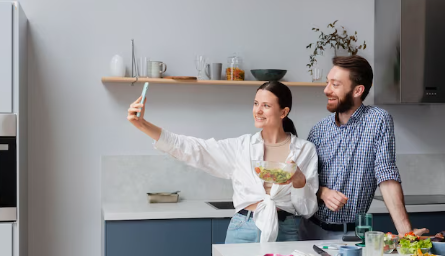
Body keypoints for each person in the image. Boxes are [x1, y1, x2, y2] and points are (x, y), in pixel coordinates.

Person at [127, 81, 319, 243]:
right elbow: (194, 148)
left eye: (266, 106)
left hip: (286, 231)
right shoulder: (241, 147)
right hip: (243, 229)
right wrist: (142, 124)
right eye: (255, 103)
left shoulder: (305, 150)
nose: (258, 111)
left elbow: (307, 210)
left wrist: (299, 181)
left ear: (283, 112)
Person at [299, 55, 428, 240]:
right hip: (310, 231)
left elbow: (386, 174)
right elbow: (303, 180)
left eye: (335, 85)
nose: (326, 90)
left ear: (358, 90)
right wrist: (323, 192)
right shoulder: (319, 130)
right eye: (327, 83)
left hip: (354, 234)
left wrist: (406, 232)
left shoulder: (378, 120)